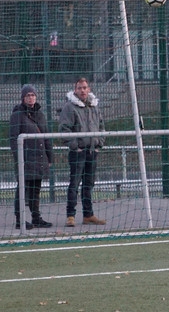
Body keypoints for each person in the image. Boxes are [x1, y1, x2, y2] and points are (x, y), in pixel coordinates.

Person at [59, 77, 106, 227]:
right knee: (74, 183)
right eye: (79, 88)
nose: (82, 90)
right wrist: (75, 146)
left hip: (92, 150)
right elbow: (64, 129)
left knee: (89, 184)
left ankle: (88, 214)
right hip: (78, 152)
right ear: (75, 90)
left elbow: (101, 125)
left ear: (89, 89)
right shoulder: (69, 107)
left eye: (85, 87)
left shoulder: (94, 106)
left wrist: (99, 143)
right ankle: (70, 215)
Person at [9, 84, 53, 229]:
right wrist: (18, 158)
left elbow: (46, 137)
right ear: (23, 98)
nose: (31, 98)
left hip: (39, 158)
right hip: (26, 159)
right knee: (23, 189)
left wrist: (49, 157)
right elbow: (14, 138)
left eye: (33, 95)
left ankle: (36, 217)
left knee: (36, 189)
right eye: (28, 95)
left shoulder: (40, 115)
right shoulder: (17, 115)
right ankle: (19, 219)